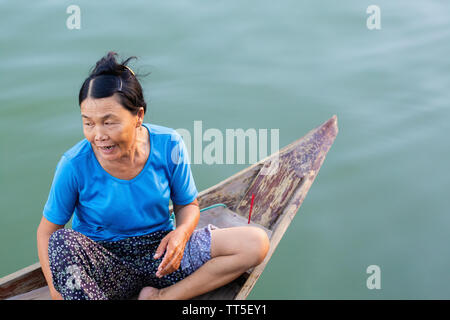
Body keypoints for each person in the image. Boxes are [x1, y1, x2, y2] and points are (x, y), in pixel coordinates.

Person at [36, 51, 269, 300]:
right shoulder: (74, 164)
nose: (98, 135)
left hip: (161, 255)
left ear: (138, 116)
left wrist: (180, 235)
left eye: (109, 122)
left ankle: (162, 297)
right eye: (88, 123)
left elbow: (188, 205)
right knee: (61, 242)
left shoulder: (169, 144)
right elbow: (47, 233)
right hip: (106, 267)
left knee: (255, 243)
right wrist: (56, 292)